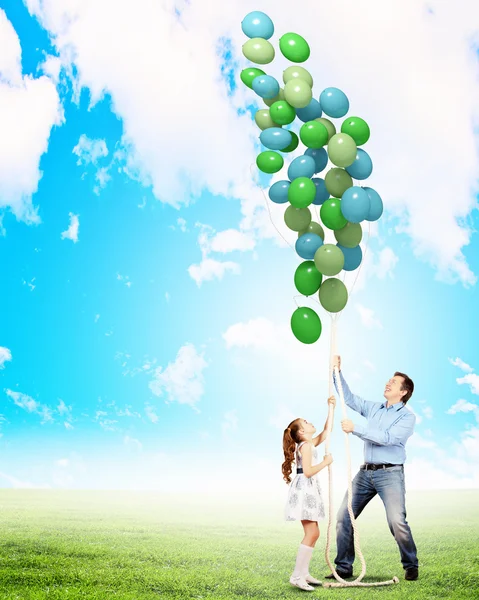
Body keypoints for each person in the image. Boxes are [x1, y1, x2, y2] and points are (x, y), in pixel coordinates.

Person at [325, 355, 419, 582]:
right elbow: (347, 398)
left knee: (396, 521)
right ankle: (344, 567)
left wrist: (355, 429)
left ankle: (411, 564)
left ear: (403, 392)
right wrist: (337, 371)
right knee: (343, 517)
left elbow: (387, 438)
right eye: (389, 380)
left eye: (394, 382)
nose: (388, 383)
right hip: (365, 473)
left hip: (390, 474)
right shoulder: (373, 408)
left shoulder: (407, 417)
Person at [282, 395, 335, 591]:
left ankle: (303, 573)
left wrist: (331, 409)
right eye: (306, 422)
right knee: (311, 532)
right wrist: (325, 462)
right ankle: (297, 575)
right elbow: (308, 471)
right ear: (302, 431)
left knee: (314, 532)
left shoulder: (308, 444)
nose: (309, 421)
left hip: (307, 489)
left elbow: (326, 432)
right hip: (305, 490)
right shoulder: (305, 447)